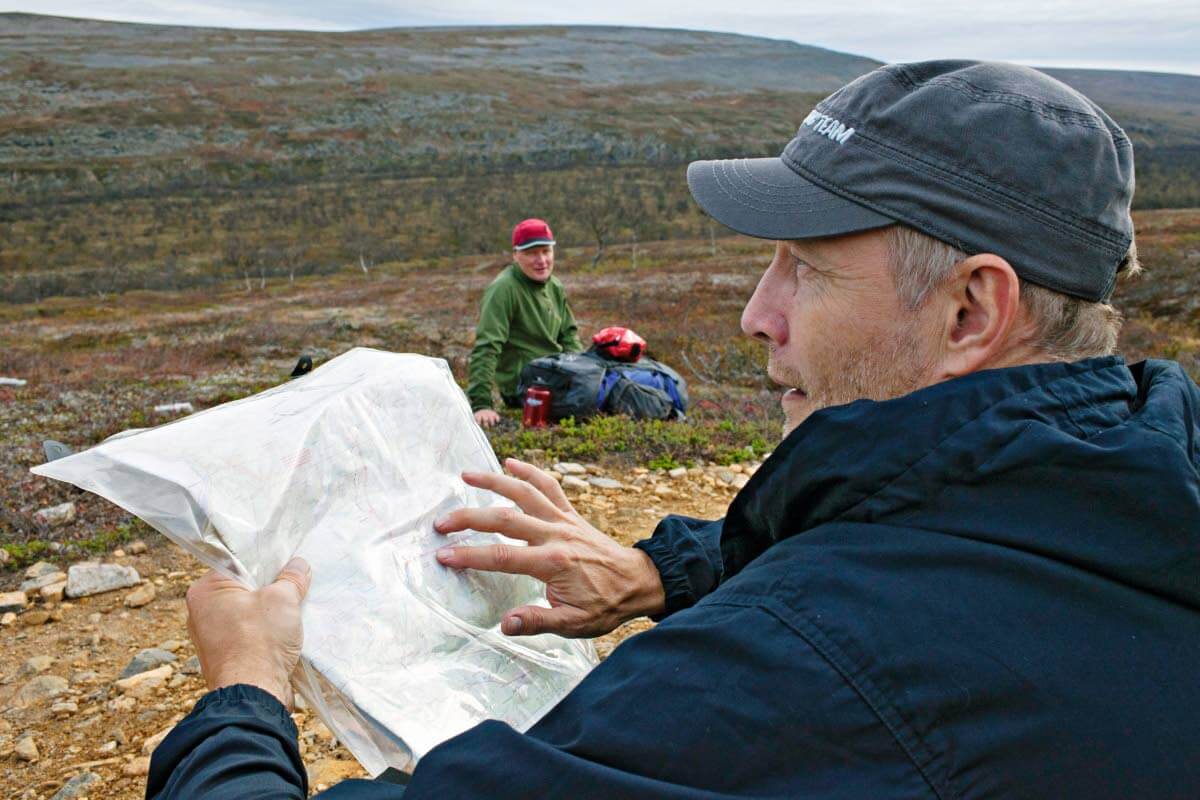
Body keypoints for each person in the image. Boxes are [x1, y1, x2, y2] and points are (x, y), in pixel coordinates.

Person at [149, 61, 1200, 799]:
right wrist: (670, 570)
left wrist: (246, 690)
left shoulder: (802, 679)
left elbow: (858, 641)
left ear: (971, 311)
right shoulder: (1149, 471)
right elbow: (945, 536)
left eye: (809, 267)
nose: (757, 312)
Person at [466, 218, 582, 427]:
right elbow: (487, 346)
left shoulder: (554, 286)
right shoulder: (503, 289)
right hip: (525, 387)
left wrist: (582, 373)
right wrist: (481, 403)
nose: (541, 260)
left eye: (546, 251)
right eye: (531, 253)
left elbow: (569, 336)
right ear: (516, 255)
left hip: (555, 375)